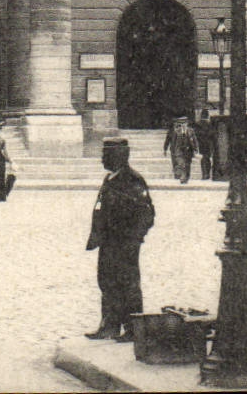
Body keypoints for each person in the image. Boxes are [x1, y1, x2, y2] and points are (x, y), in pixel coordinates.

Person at [85, 137, 155, 343]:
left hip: (125, 243)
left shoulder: (133, 180)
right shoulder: (110, 179)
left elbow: (147, 214)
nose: (102, 159)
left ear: (118, 156)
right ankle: (110, 326)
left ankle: (133, 328)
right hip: (108, 241)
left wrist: (134, 238)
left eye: (105, 155)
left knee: (128, 283)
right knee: (107, 281)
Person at [163, 115, 198, 184]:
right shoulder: (177, 131)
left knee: (188, 165)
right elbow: (173, 141)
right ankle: (182, 178)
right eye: (181, 123)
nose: (183, 125)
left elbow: (194, 140)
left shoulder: (191, 131)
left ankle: (186, 177)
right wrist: (169, 150)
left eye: (184, 123)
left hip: (188, 151)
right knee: (182, 164)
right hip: (179, 151)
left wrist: (196, 149)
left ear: (187, 123)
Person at [194, 109, 215, 181]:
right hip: (208, 143)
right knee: (207, 158)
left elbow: (196, 134)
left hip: (201, 143)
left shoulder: (198, 123)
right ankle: (207, 173)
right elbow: (212, 134)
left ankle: (204, 174)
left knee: (203, 158)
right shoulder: (210, 124)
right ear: (207, 115)